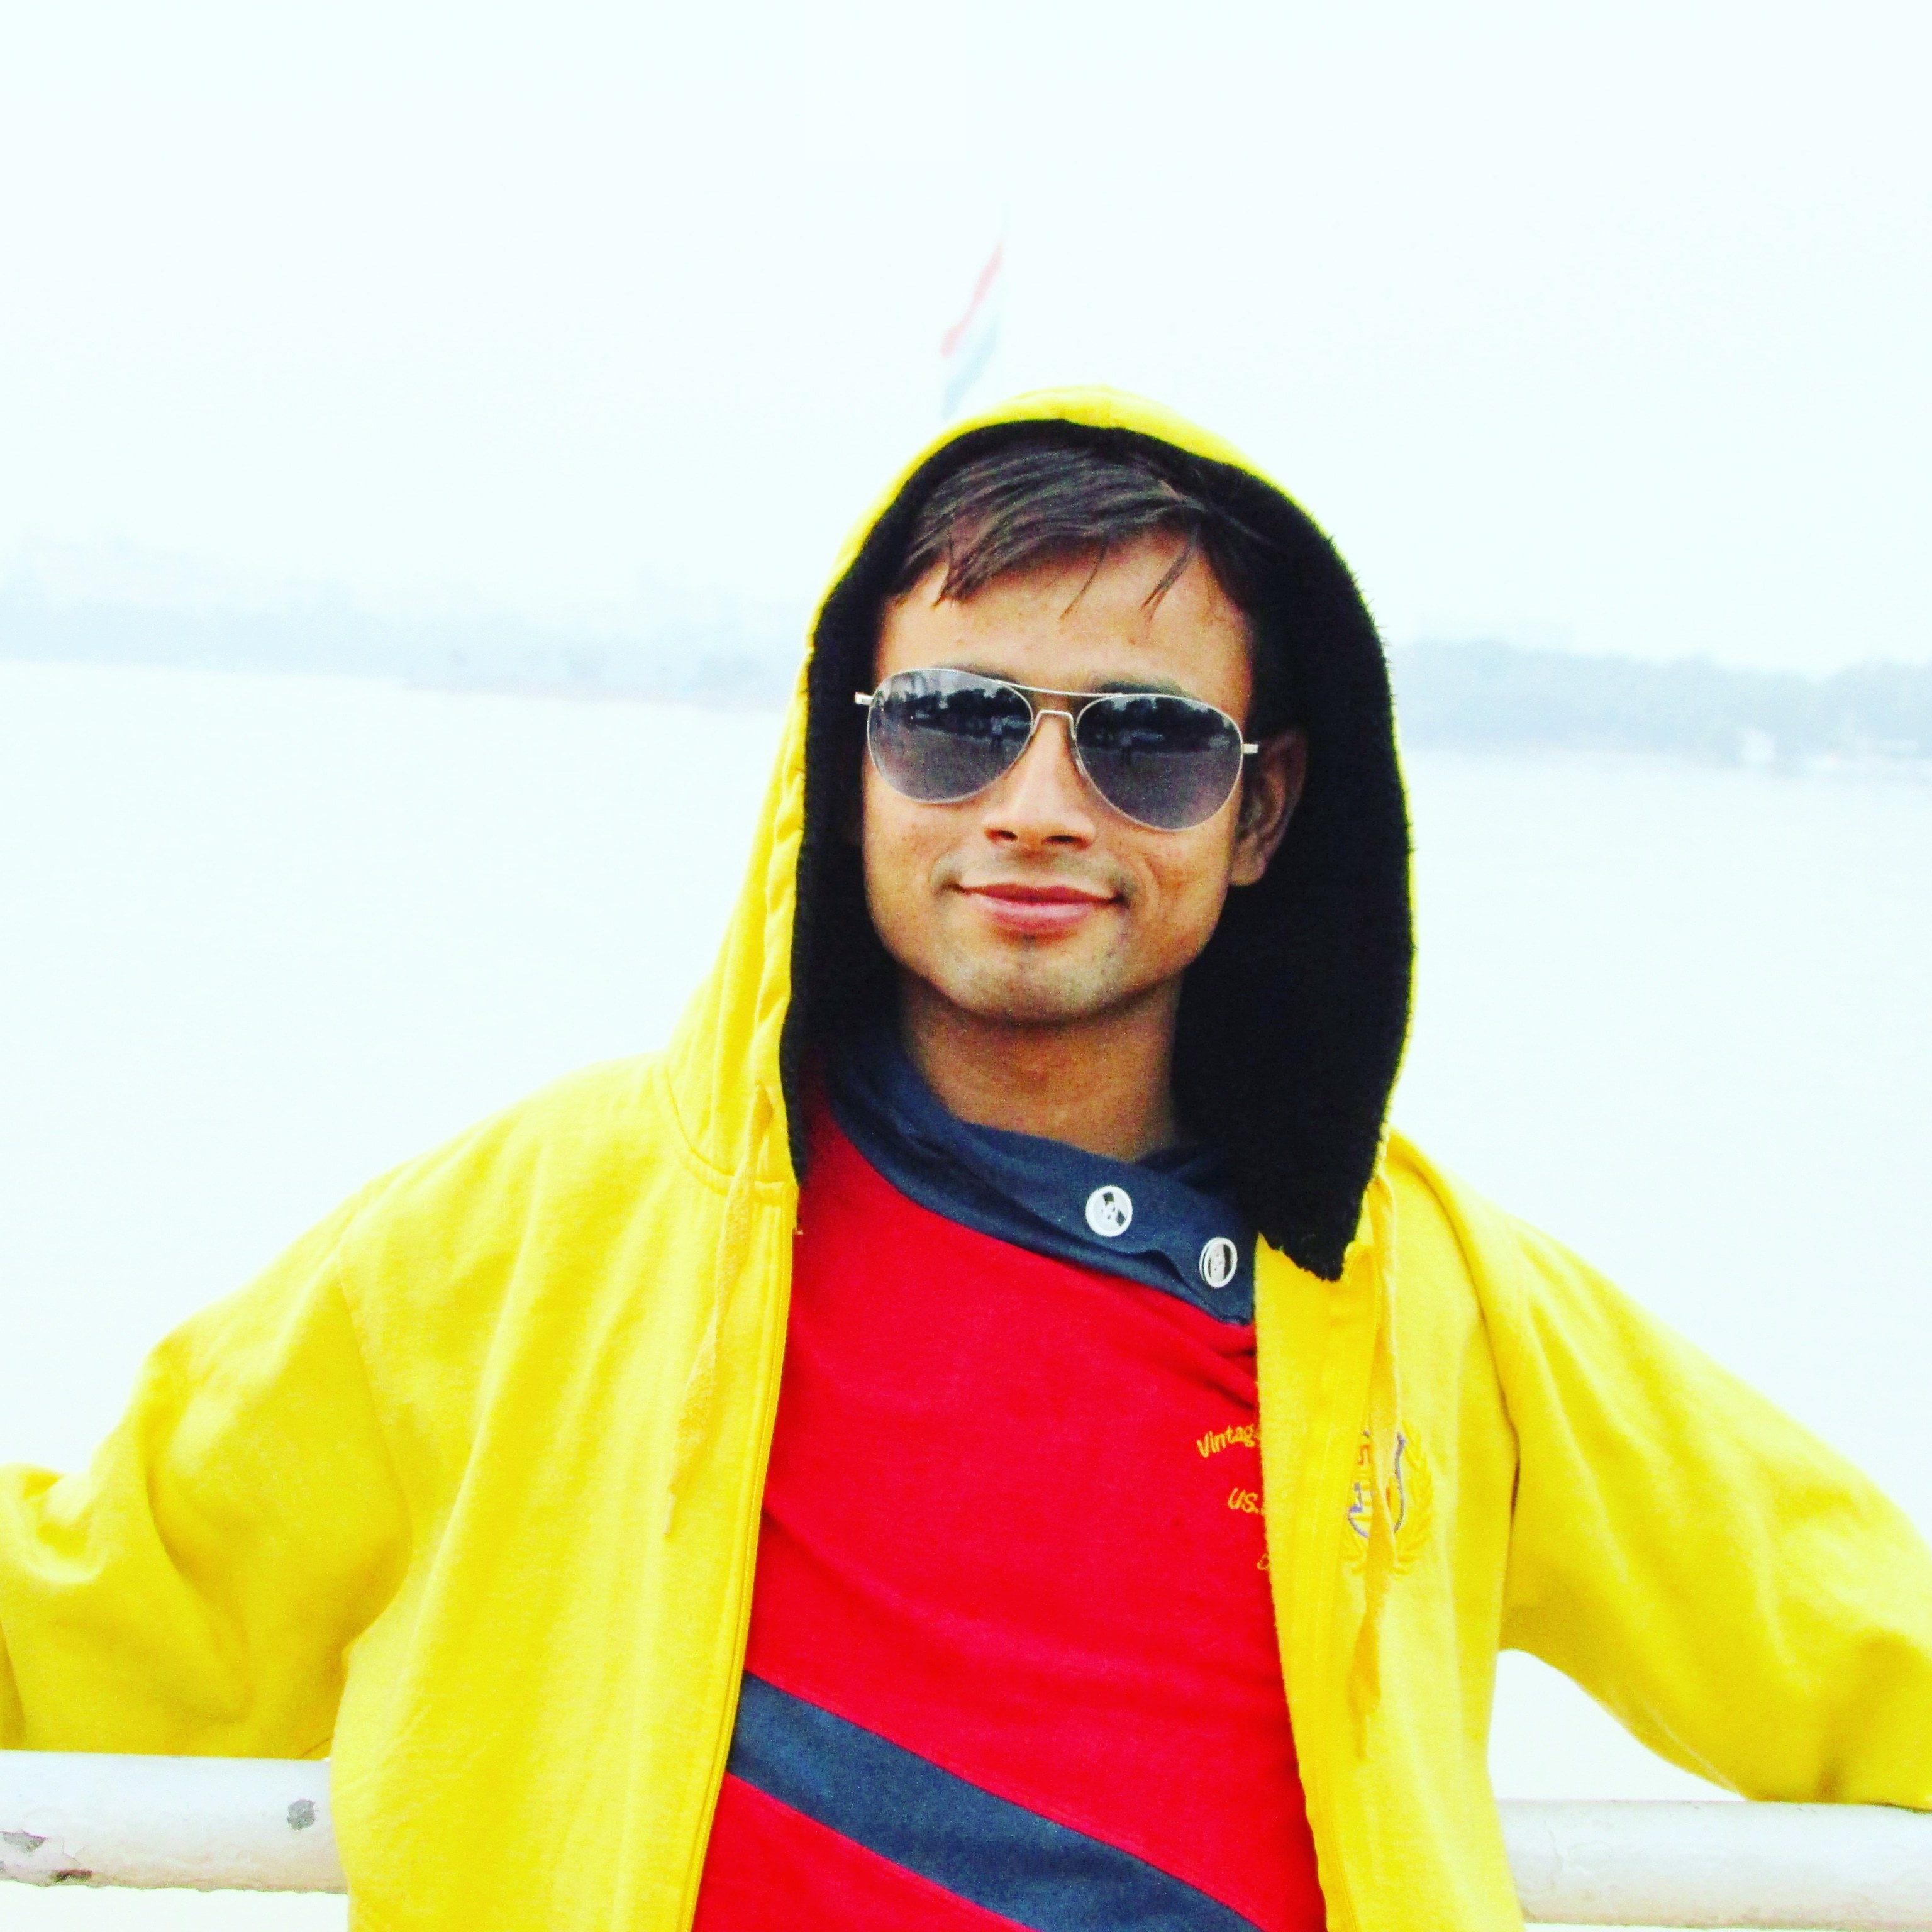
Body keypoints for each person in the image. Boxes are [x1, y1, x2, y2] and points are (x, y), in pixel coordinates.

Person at [3, 388, 1929, 1932]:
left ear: (1263, 810)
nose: (1035, 808)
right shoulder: (542, 1233)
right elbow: (115, 1608)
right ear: (844, 764)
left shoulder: (1422, 1302)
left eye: (1146, 745)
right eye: (952, 725)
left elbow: (1836, 1631)